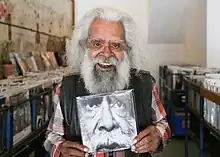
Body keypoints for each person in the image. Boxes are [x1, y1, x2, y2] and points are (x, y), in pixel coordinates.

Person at [44, 7, 171, 157]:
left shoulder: (145, 84)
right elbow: (52, 135)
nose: (106, 53)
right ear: (84, 46)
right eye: (97, 44)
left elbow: (163, 124)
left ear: (127, 50)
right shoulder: (65, 88)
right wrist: (61, 149)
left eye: (116, 45)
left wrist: (158, 136)